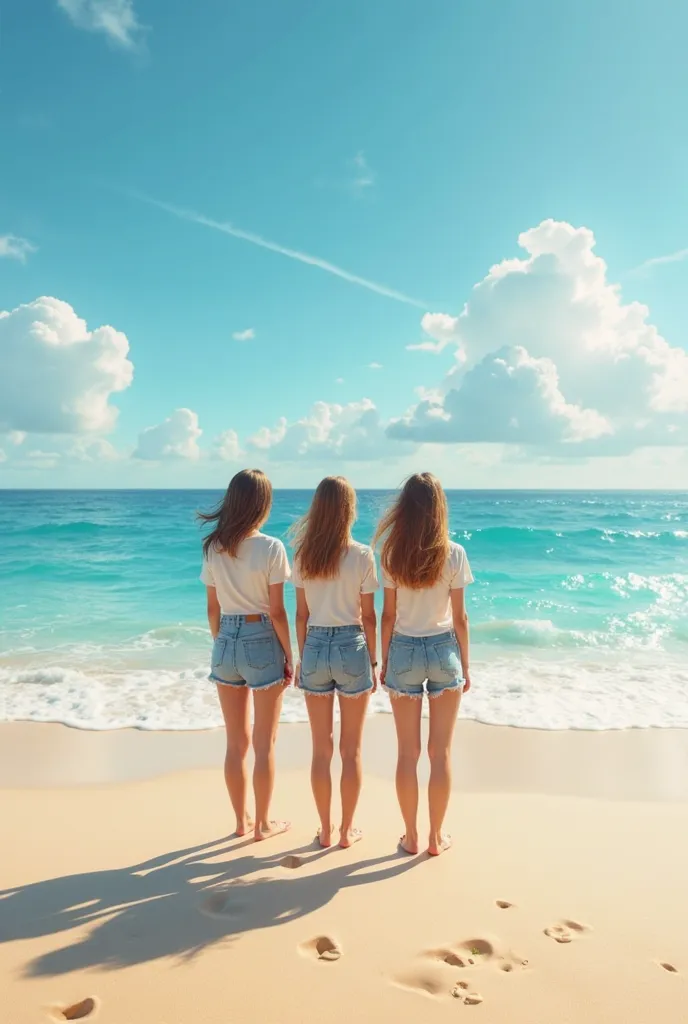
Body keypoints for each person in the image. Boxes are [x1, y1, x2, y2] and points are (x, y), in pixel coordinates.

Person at [375, 473, 472, 857]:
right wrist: (466, 663)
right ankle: (435, 839)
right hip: (444, 648)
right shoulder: (454, 553)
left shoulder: (392, 554)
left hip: (403, 650)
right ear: (438, 509)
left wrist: (383, 661)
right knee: (440, 753)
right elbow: (461, 618)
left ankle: (411, 837)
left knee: (407, 753)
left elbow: (388, 615)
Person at [199, 469, 293, 842]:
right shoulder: (271, 548)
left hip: (225, 641)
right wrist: (290, 654)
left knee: (235, 743)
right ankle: (263, 825)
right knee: (264, 741)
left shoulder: (213, 546)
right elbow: (278, 611)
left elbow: (212, 610)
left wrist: (223, 641)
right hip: (261, 638)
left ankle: (240, 822)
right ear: (262, 504)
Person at [291, 477, 379, 849]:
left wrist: (302, 655)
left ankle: (324, 830)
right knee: (351, 749)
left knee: (321, 748)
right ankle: (345, 832)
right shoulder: (361, 555)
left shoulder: (302, 554)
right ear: (349, 509)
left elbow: (300, 615)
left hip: (314, 645)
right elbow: (370, 616)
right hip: (351, 645)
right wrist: (374, 661)